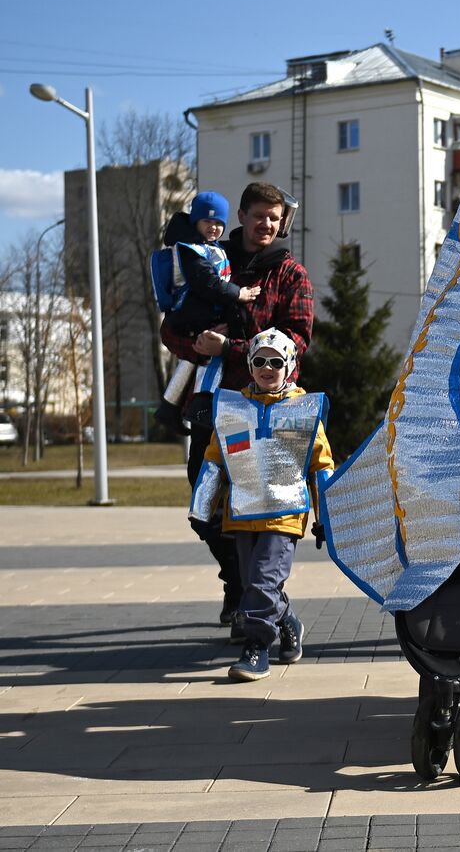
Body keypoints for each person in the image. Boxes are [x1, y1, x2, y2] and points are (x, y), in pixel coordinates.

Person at [160, 182, 314, 637]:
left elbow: (297, 339)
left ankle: (261, 605)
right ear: (242, 216)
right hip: (211, 405)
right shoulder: (206, 258)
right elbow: (172, 326)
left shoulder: (289, 274)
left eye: (274, 217)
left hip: (267, 410)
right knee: (203, 506)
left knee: (263, 514)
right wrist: (195, 344)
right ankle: (239, 584)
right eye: (258, 215)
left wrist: (232, 347)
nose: (266, 224)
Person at [188, 329, 333, 681]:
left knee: (264, 580)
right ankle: (288, 621)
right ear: (250, 366)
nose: (268, 368)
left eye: (276, 362)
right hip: (242, 512)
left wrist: (327, 516)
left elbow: (322, 467)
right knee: (255, 581)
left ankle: (255, 647)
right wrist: (202, 509)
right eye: (260, 361)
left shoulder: (303, 411)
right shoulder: (232, 410)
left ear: (291, 367)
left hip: (284, 514)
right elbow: (214, 460)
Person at [151, 192, 261, 431]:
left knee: (194, 359)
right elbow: (207, 283)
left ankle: (169, 407)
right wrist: (238, 294)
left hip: (195, 312)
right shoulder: (192, 250)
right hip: (194, 313)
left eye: (219, 223)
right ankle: (202, 404)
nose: (214, 227)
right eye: (207, 222)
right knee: (210, 354)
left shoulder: (207, 247)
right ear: (195, 222)